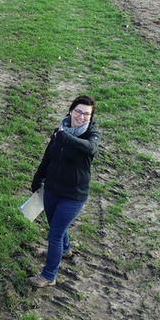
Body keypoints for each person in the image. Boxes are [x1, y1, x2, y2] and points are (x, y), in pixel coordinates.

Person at [28, 95, 100, 288]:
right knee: (56, 228)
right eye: (78, 111)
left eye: (87, 114)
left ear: (91, 117)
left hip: (73, 196)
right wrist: (37, 178)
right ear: (71, 110)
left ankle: (49, 275)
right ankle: (65, 251)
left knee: (55, 234)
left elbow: (90, 148)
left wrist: (65, 137)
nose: (82, 117)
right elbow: (47, 158)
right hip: (51, 190)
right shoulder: (58, 132)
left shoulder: (91, 136)